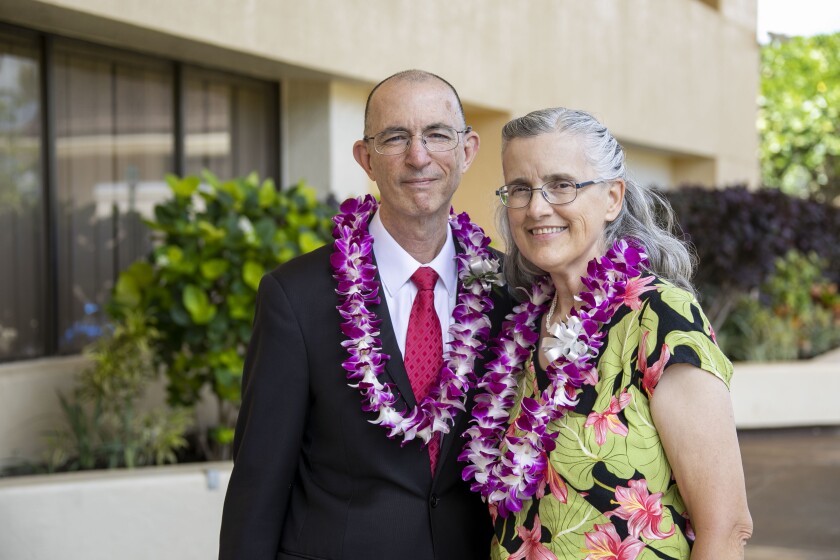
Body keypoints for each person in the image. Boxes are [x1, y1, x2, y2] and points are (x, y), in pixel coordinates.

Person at [219, 70, 512, 560]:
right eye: (396, 137)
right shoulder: (296, 297)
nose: (418, 156)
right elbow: (259, 483)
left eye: (437, 134)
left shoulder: (507, 290)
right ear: (366, 158)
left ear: (467, 150)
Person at [459, 107, 753, 559]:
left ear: (612, 197)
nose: (537, 208)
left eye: (562, 185)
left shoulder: (660, 317)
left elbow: (726, 527)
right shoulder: (518, 328)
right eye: (520, 189)